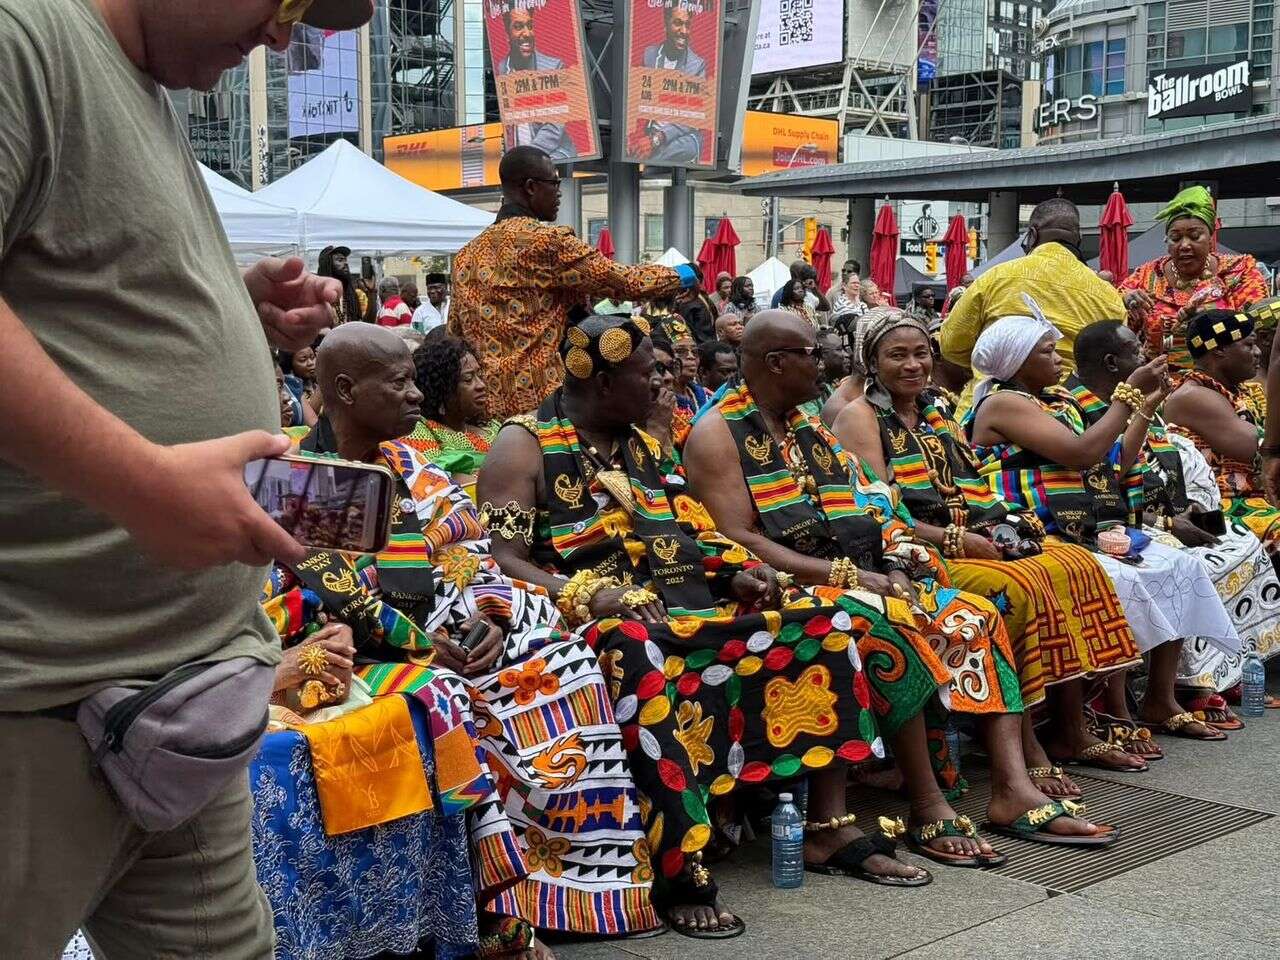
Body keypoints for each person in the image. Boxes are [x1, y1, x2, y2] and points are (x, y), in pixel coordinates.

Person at [0, 0, 374, 957]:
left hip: (187, 699)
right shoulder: (26, 38)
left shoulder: (143, 85)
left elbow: (79, 313)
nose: (285, 38)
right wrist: (142, 485)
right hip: (41, 697)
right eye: (292, 1)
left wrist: (232, 317)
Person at [480, 314, 937, 940]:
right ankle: (678, 866)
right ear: (606, 379)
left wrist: (740, 573)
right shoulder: (523, 444)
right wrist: (592, 592)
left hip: (680, 606)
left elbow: (691, 529)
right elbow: (501, 560)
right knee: (635, 650)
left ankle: (827, 828)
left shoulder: (641, 443)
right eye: (650, 374)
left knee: (825, 623)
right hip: (585, 621)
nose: (664, 385)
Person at [282, 324, 659, 957]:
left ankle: (577, 887)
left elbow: (474, 552)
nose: (415, 398)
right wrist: (421, 644)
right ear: (344, 390)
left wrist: (494, 614)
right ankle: (494, 911)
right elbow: (330, 588)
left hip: (455, 622)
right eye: (398, 383)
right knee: (456, 697)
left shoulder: (411, 463)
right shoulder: (304, 471)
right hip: (365, 642)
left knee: (565, 662)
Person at [684, 310, 1114, 852]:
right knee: (895, 625)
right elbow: (738, 538)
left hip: (855, 572)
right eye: (814, 355)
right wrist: (848, 575)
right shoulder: (717, 432)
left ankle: (1012, 788)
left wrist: (894, 563)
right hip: (781, 585)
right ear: (775, 363)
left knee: (970, 615)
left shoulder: (806, 426)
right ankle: (927, 802)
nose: (827, 365)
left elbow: (874, 504)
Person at [834, 310, 1158, 792]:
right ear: (872, 362)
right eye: (897, 355)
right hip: (911, 552)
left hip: (965, 531)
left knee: (1075, 564)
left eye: (921, 353)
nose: (912, 365)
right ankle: (1027, 746)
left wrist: (998, 527)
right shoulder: (858, 417)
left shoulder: (935, 405)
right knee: (1018, 588)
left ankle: (1070, 727)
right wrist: (952, 539)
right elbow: (878, 511)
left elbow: (967, 484)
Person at [966, 308, 1241, 756]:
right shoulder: (1003, 402)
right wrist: (1126, 397)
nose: (1059, 361)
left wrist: (1145, 407)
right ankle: (1097, 714)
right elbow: (1079, 454)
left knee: (1177, 564)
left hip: (1081, 521)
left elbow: (1111, 464)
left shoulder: (1056, 401)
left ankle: (1158, 698)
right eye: (1047, 352)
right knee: (1114, 580)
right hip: (1029, 525)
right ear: (1016, 362)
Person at [1069, 319, 1280, 721]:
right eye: (1137, 351)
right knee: (1192, 560)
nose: (1147, 356)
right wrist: (1167, 522)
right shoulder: (1093, 406)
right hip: (1123, 521)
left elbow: (1157, 471)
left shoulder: (1233, 392)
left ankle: (1231, 666)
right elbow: (1105, 482)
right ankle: (1193, 681)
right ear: (1114, 362)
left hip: (1171, 511)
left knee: (1238, 541)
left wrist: (1182, 512)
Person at [450, 146, 695, 419]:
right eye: (554, 183)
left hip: (483, 410)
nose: (559, 192)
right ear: (531, 187)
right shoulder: (547, 242)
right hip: (541, 406)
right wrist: (684, 274)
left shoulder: (465, 256)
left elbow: (455, 332)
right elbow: (624, 282)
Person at [940, 198, 1125, 377]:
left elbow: (950, 345)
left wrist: (997, 365)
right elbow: (1119, 357)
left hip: (995, 398)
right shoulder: (1109, 295)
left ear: (1032, 235)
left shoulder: (995, 277)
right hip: (1076, 402)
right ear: (1079, 238)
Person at [1164, 309, 1280, 556]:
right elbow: (1257, 447)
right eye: (1249, 344)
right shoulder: (1192, 396)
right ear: (1218, 350)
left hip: (1258, 496)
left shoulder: (1241, 391)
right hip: (1222, 507)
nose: (1258, 351)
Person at [1121, 187, 1268, 371]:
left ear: (1210, 237)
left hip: (1222, 381)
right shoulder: (1146, 275)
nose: (1184, 245)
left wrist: (1205, 321)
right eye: (1175, 238)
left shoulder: (1238, 271)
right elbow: (1119, 328)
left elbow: (1256, 330)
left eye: (1194, 236)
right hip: (1158, 384)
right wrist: (1125, 302)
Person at [404, 334, 499, 492]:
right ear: (443, 390)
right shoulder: (422, 429)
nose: (481, 385)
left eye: (479, 375)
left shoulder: (494, 428)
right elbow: (436, 478)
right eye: (468, 379)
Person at [494, 6, 574, 160]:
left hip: (554, 155)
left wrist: (524, 158)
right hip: (520, 159)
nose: (527, 33)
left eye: (529, 26)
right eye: (518, 27)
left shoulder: (553, 68)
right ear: (507, 34)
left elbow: (554, 127)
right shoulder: (501, 69)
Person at [633, 0, 708, 163]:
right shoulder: (650, 56)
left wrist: (657, 139)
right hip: (651, 137)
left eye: (688, 25)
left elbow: (692, 118)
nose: (684, 31)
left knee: (681, 148)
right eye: (678, 23)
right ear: (665, 25)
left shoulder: (696, 65)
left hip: (683, 137)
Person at [318, 243, 371, 324]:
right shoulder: (317, 296)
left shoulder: (354, 295)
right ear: (327, 264)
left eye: (345, 259)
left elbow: (367, 323)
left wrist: (371, 291)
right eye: (340, 260)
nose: (346, 263)